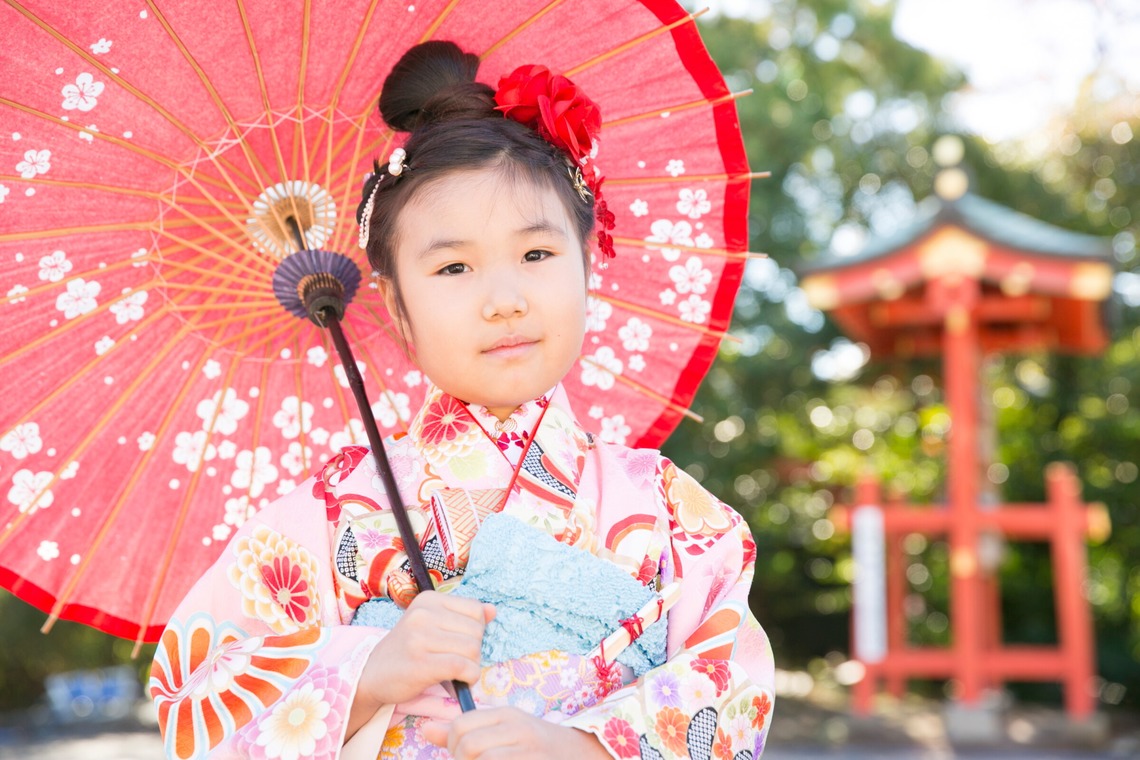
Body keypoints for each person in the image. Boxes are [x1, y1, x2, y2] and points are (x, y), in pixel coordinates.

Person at [149, 40, 775, 760]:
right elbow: (192, 698)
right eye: (453, 267)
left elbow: (732, 686)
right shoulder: (334, 512)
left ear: (587, 262)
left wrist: (577, 747)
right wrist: (368, 673)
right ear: (397, 304)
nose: (504, 300)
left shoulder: (668, 506)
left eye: (536, 254)